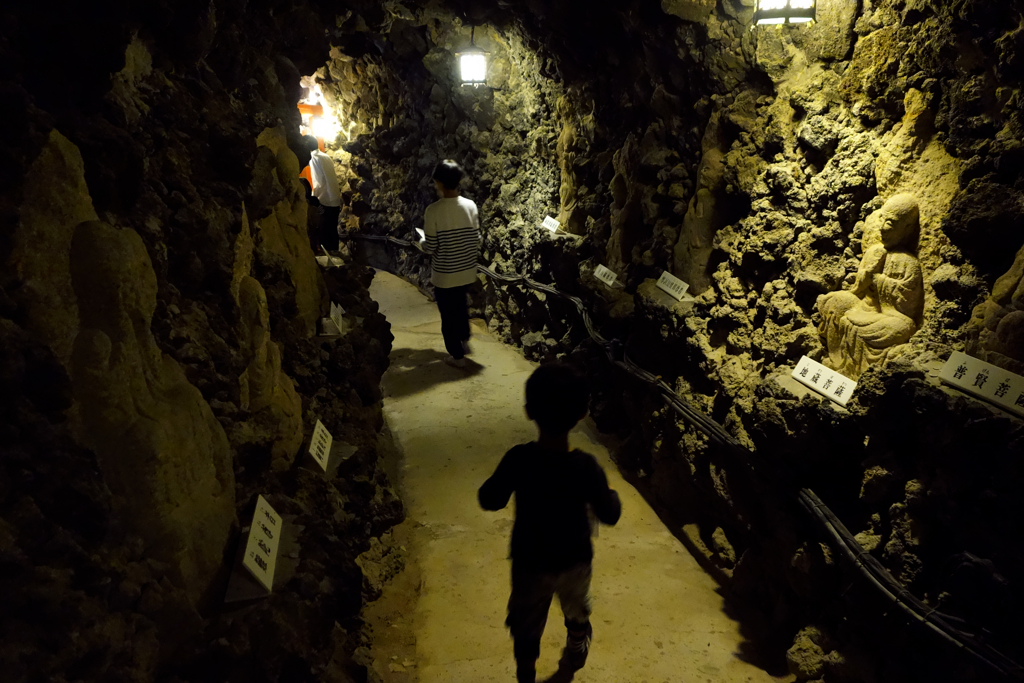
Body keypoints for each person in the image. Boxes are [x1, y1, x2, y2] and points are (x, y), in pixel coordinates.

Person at [479, 364, 622, 683]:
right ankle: (576, 642)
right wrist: (610, 495)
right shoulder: (586, 468)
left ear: (529, 411)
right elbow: (610, 514)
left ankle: (526, 673)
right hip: (575, 561)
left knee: (526, 623)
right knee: (576, 606)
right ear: (583, 413)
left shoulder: (519, 459)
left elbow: (489, 499)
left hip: (530, 562)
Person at [818, 193, 924, 378]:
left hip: (888, 317)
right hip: (863, 307)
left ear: (906, 229)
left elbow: (907, 306)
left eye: (890, 224)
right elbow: (857, 290)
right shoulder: (874, 251)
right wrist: (864, 278)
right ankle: (837, 361)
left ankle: (858, 371)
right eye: (881, 220)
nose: (882, 228)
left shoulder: (908, 262)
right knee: (834, 301)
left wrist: (878, 279)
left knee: (904, 327)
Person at [418, 159, 481, 368]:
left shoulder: (434, 211)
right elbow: (476, 238)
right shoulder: (470, 206)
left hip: (445, 274)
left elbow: (431, 246)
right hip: (466, 270)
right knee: (461, 306)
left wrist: (421, 242)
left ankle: (457, 356)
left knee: (448, 314)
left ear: (440, 183)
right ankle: (464, 339)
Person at [304, 135, 341, 253]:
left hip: (325, 199)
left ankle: (328, 261)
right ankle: (336, 259)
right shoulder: (325, 156)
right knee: (332, 232)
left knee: (324, 233)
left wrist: (313, 198)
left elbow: (318, 181)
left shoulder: (314, 159)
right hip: (335, 198)